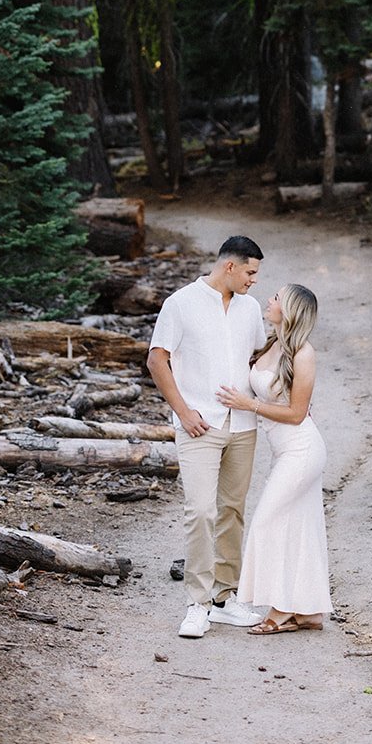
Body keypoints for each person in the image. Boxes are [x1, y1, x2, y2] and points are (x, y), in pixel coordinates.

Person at [147, 236, 267, 639]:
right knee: (200, 511)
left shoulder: (250, 309)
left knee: (232, 511)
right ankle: (196, 604)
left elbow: (254, 360)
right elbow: (156, 358)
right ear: (230, 267)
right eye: (250, 272)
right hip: (199, 424)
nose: (254, 281)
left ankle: (223, 599)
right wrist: (183, 412)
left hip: (243, 427)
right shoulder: (180, 303)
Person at [216, 283, 331, 635]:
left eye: (277, 298)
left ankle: (280, 610)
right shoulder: (271, 345)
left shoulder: (303, 353)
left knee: (266, 520)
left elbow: (297, 413)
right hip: (283, 451)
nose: (269, 300)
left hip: (303, 450)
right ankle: (306, 613)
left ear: (291, 309)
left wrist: (248, 404)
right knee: (299, 527)